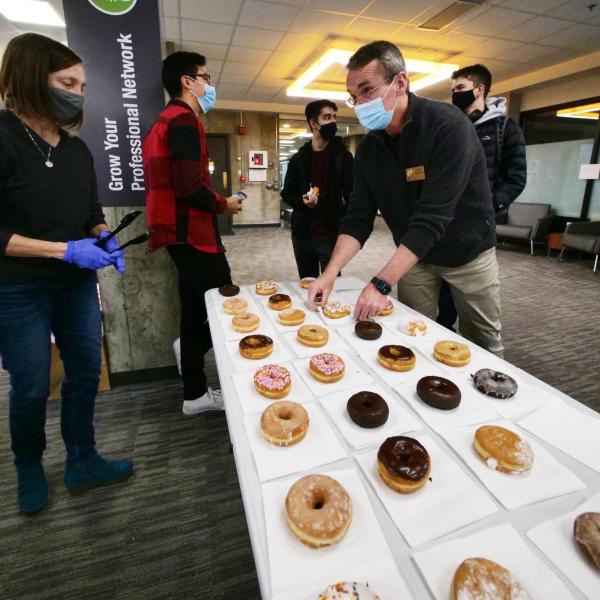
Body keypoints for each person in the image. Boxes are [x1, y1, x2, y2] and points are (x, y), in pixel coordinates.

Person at [0, 33, 133, 515]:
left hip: (75, 286)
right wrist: (64, 250)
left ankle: (82, 459)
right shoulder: (5, 136)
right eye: (67, 82)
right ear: (33, 77)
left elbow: (90, 211)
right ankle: (28, 465)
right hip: (17, 289)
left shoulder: (77, 150)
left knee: (83, 372)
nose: (77, 93)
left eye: (82, 84)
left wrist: (102, 234)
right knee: (32, 383)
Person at [308, 40, 503, 357]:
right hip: (415, 258)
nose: (359, 104)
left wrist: (381, 284)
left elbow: (431, 220)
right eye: (353, 97)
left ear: (400, 82)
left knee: (483, 343)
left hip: (468, 253)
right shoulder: (370, 149)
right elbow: (357, 217)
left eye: (367, 90)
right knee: (412, 333)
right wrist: (329, 274)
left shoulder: (448, 127)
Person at [143, 51, 242, 416]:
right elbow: (189, 187)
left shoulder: (163, 121)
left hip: (177, 233)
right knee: (226, 302)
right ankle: (197, 370)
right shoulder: (184, 120)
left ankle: (195, 392)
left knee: (193, 307)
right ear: (188, 81)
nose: (209, 84)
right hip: (192, 233)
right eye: (206, 77)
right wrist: (224, 204)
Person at [434, 64, 526, 330]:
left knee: (473, 293)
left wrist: (491, 206)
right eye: (453, 90)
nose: (455, 94)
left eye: (460, 88)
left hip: (478, 227)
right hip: (444, 222)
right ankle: (444, 333)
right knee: (442, 290)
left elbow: (516, 177)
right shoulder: (449, 127)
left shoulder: (504, 128)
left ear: (480, 89)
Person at [281, 99, 353, 278]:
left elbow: (354, 193)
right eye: (327, 117)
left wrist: (345, 217)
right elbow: (287, 193)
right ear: (313, 123)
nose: (332, 122)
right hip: (303, 234)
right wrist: (302, 201)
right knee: (306, 283)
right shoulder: (298, 159)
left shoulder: (343, 157)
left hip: (332, 233)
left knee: (332, 284)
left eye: (334, 117)